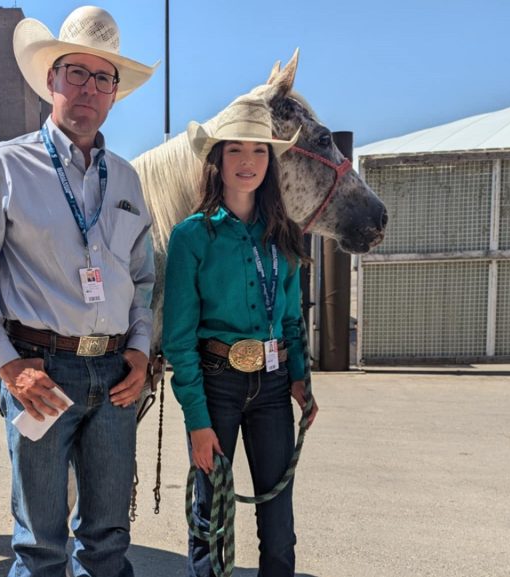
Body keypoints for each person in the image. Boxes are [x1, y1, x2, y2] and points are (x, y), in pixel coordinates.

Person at [0, 6, 158, 577]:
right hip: (40, 371)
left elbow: (142, 279)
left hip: (114, 375)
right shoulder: (2, 167)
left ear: (114, 93)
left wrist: (139, 350)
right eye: (76, 73)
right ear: (51, 81)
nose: (89, 87)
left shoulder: (128, 180)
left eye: (102, 77)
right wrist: (10, 367)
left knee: (109, 540)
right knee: (40, 545)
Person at [162, 94, 319, 577]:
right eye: (235, 150)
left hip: (273, 390)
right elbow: (179, 337)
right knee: (210, 519)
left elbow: (292, 323)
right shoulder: (192, 236)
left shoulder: (284, 234)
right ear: (217, 160)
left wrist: (300, 379)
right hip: (216, 387)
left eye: (258, 151)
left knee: (279, 526)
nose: (247, 161)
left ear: (270, 162)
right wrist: (197, 420)